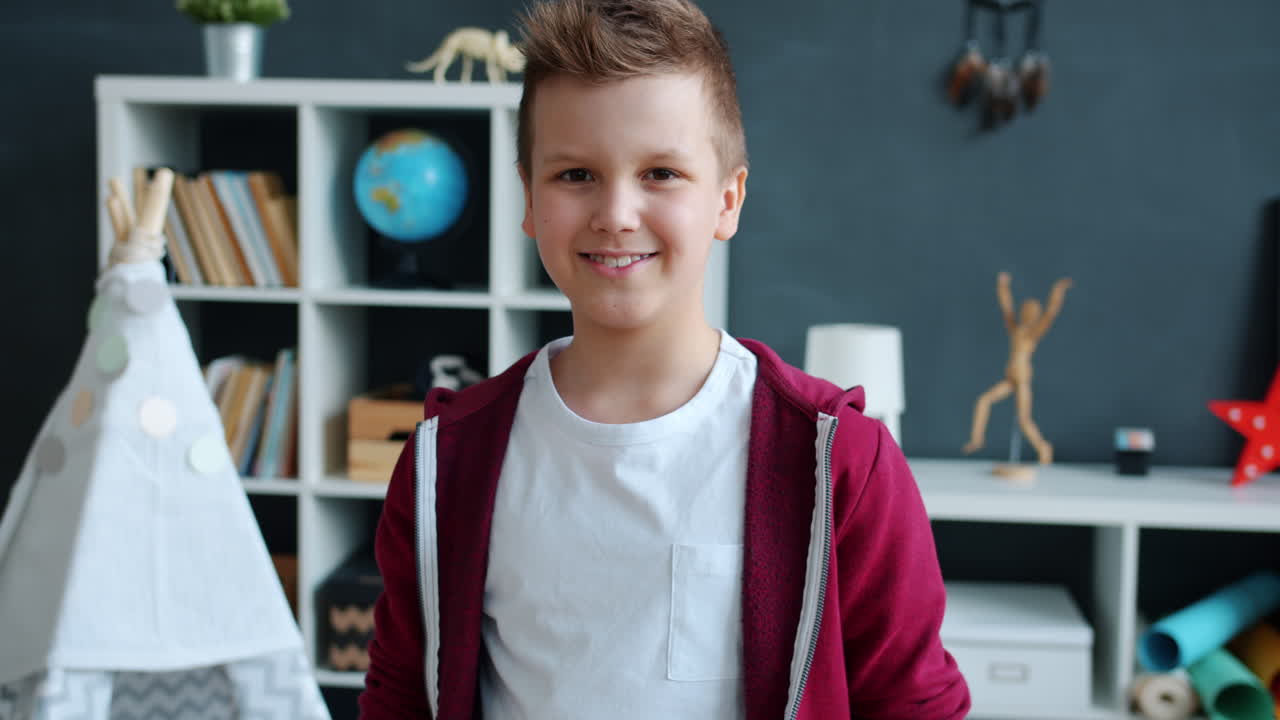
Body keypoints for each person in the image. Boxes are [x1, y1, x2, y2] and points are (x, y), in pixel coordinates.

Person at [358, 0, 970, 717]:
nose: (616, 212)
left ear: (728, 199)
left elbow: (913, 704)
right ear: (527, 198)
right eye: (576, 175)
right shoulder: (446, 461)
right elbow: (400, 693)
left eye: (661, 173)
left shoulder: (839, 461)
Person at [963, 271, 1072, 465]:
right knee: (984, 400)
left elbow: (1051, 312)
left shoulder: (1033, 334)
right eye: (1024, 310)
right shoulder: (1016, 330)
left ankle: (1043, 447)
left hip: (1022, 381)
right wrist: (1002, 286)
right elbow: (1006, 308)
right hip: (1010, 379)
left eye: (1030, 311)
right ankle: (977, 439)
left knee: (1024, 420)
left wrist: (1057, 291)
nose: (1025, 313)